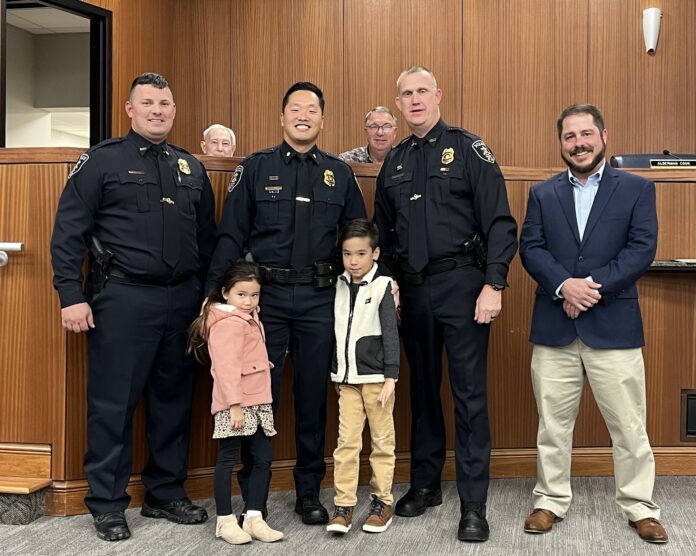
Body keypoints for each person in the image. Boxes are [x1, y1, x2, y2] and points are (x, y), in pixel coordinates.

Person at [50, 72, 216, 541]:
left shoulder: (190, 168)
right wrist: (71, 295)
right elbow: (68, 234)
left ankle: (165, 493)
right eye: (148, 103)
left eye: (165, 102)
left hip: (182, 299)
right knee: (112, 405)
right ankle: (106, 503)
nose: (158, 110)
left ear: (174, 109)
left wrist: (207, 303)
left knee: (174, 402)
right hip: (122, 299)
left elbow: (206, 240)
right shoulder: (102, 161)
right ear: (130, 109)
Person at [206, 82, 367, 525]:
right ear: (281, 118)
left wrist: (375, 286)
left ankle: (308, 493)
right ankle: (252, 493)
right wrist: (213, 302)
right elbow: (230, 238)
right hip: (265, 303)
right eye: (295, 109)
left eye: (312, 109)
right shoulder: (255, 168)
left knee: (313, 398)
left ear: (322, 119)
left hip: (319, 299)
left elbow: (357, 239)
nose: (303, 115)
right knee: (259, 398)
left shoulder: (340, 173)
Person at [374, 66, 518, 542]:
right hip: (412, 291)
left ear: (437, 96)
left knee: (469, 396)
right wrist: (388, 283)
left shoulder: (469, 148)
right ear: (398, 104)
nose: (414, 100)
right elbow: (385, 235)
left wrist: (493, 284)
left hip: (463, 284)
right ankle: (426, 484)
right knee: (421, 393)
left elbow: (500, 222)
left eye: (422, 92)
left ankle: (473, 504)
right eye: (405, 94)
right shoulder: (393, 161)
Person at [518, 104, 668, 544]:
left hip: (614, 327)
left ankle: (641, 507)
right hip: (555, 327)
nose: (578, 143)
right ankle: (549, 501)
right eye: (569, 136)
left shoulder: (637, 189)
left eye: (586, 134)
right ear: (560, 141)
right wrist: (564, 285)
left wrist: (588, 288)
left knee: (628, 425)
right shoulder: (542, 193)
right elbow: (531, 247)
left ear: (604, 135)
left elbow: (641, 249)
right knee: (552, 425)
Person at [188, 260, 283, 544]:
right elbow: (225, 367)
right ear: (225, 292)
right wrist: (234, 405)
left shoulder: (250, 317)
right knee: (228, 458)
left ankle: (253, 517)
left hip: (258, 399)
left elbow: (243, 356)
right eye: (241, 294)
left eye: (254, 295)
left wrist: (260, 363)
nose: (249, 300)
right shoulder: (228, 323)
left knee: (262, 459)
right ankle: (225, 521)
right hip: (237, 404)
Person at [326, 219, 399, 535]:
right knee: (347, 444)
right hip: (347, 380)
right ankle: (344, 505)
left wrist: (391, 377)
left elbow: (391, 334)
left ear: (375, 253)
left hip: (378, 381)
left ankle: (383, 501)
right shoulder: (338, 284)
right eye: (347, 254)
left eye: (360, 253)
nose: (353, 261)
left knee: (382, 442)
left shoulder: (384, 286)